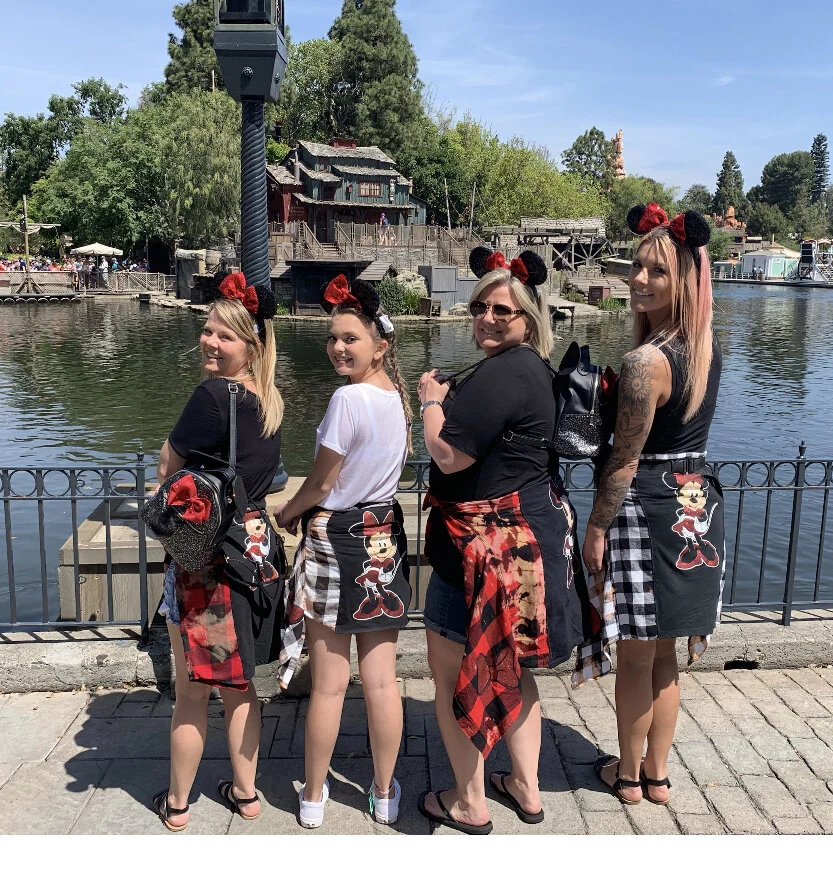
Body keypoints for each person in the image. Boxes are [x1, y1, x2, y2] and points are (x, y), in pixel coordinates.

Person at [416, 248, 588, 834]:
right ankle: (526, 786)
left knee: (451, 673)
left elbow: (448, 453)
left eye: (502, 312)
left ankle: (469, 801)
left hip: (479, 551)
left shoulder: (503, 372)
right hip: (522, 542)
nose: (487, 318)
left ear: (529, 319)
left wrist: (431, 404)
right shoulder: (532, 369)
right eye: (480, 307)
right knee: (514, 668)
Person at [577, 203, 724, 807]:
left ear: (685, 280)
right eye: (636, 266)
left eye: (656, 271)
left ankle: (630, 777)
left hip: (645, 510)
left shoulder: (646, 362)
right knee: (666, 658)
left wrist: (595, 525)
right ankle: (658, 775)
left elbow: (625, 459)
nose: (638, 278)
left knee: (637, 658)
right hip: (695, 505)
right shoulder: (707, 350)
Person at [276, 274, 412, 829]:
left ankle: (312, 797)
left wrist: (287, 514)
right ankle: (382, 794)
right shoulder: (395, 397)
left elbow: (321, 484)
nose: (338, 347)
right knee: (381, 680)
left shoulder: (347, 399)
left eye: (350, 338)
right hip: (381, 535)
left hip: (335, 539)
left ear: (379, 345)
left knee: (330, 684)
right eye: (333, 338)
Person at [153, 271, 284, 831]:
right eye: (207, 330)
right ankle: (248, 794)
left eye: (223, 335)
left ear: (249, 346)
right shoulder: (271, 398)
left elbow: (166, 469)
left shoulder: (212, 396)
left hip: (206, 563)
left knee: (190, 694)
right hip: (251, 556)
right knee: (241, 688)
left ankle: (178, 806)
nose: (209, 341)